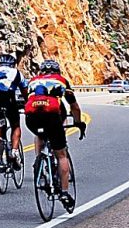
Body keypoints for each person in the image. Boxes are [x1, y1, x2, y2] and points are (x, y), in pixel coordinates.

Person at [23, 58, 86, 213]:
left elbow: (27, 101)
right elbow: (74, 106)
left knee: (40, 134)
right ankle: (64, 193)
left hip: (31, 118)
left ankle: (40, 161)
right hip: (52, 117)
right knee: (61, 155)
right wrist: (78, 123)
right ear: (58, 72)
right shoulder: (61, 81)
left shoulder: (33, 81)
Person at [0, 53, 28, 169]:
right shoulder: (16, 72)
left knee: (1, 126)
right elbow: (24, 91)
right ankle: (14, 151)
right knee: (15, 125)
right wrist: (28, 104)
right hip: (8, 99)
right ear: (13, 64)